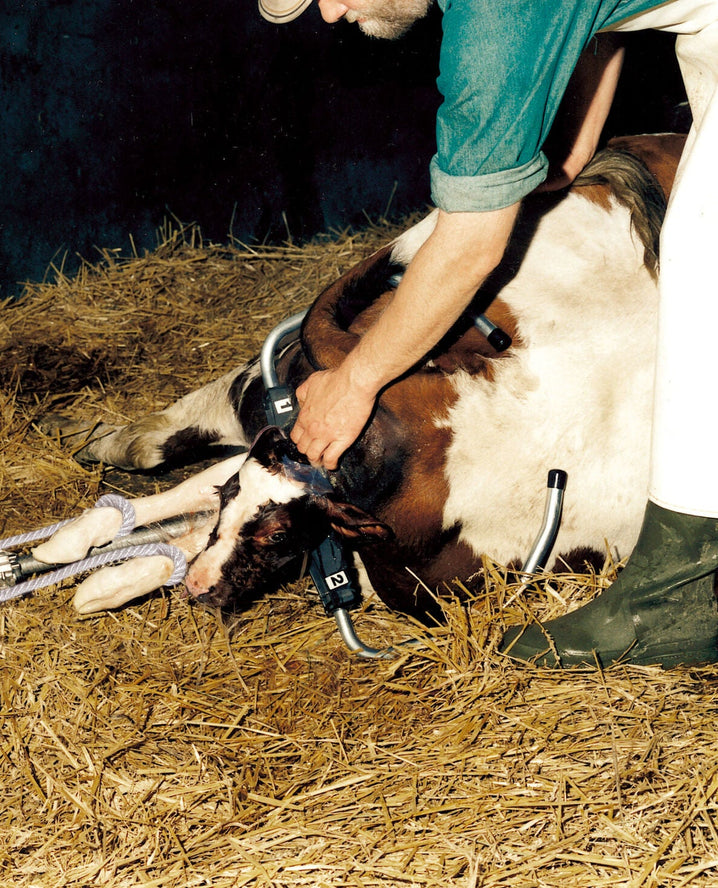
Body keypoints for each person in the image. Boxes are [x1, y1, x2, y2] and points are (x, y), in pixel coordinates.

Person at [259, 0, 718, 667]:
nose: (329, 12)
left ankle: (678, 597)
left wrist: (356, 380)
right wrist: (576, 142)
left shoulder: (491, 22)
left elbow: (470, 247)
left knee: (704, 259)